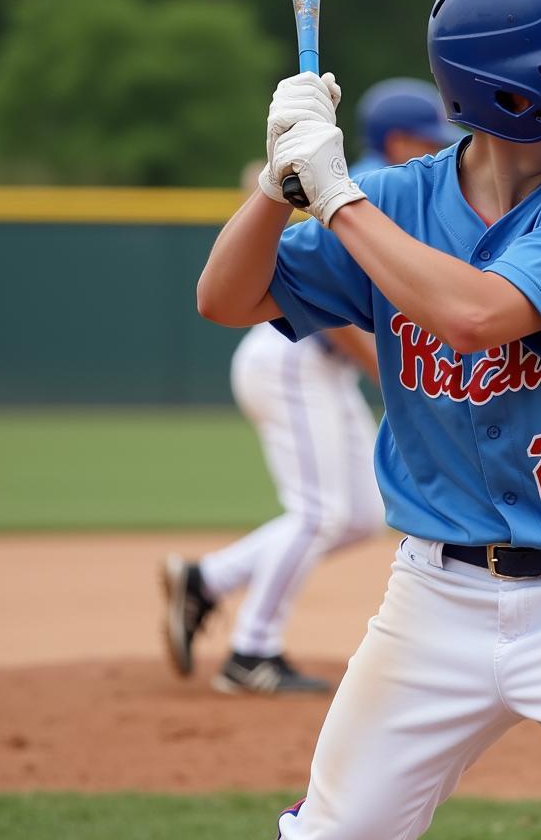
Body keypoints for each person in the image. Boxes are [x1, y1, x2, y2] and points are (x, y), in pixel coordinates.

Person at [197, 0, 541, 839]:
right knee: (336, 833)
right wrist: (275, 184)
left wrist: (334, 199)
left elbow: (477, 316)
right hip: (431, 599)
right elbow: (227, 298)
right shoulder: (393, 201)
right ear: (510, 91)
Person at [161, 80, 456, 695]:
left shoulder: (386, 182)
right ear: (400, 138)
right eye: (429, 139)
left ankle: (207, 580)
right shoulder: (374, 185)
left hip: (312, 363)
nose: (441, 150)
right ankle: (252, 653)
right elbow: (344, 314)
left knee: (359, 516)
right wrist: (390, 367)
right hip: (292, 357)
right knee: (320, 514)